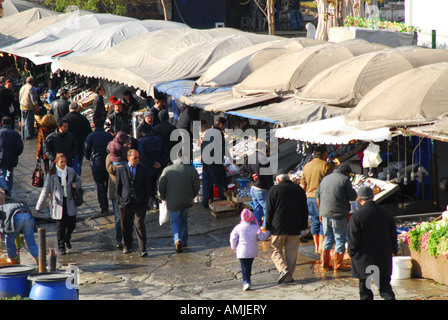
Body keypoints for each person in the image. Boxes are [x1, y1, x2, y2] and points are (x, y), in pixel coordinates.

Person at [348, 186, 397, 300]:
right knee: (385, 287)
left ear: (359, 199)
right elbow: (393, 235)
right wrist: (393, 250)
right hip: (383, 257)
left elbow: (353, 239)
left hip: (364, 259)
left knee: (365, 290)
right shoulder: (386, 213)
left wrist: (352, 252)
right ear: (373, 197)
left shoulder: (357, 216)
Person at [265, 169, 308, 284]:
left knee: (275, 249)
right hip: (295, 227)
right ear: (288, 177)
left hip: (278, 227)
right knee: (292, 252)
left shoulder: (274, 190)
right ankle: (288, 278)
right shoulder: (299, 190)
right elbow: (305, 210)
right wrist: (304, 227)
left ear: (278, 179)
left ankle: (282, 268)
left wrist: (267, 227)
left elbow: (269, 210)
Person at [36, 153, 82, 255]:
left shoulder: (70, 171)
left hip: (69, 201)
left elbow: (79, 180)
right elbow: (45, 190)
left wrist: (76, 185)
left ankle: (67, 238)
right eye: (62, 162)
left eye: (65, 162)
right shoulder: (52, 174)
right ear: (57, 162)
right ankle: (61, 247)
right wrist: (39, 205)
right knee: (60, 226)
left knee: (72, 224)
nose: (64, 164)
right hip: (58, 203)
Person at [316, 162, 357, 271]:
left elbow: (317, 196)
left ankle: (325, 264)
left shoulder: (325, 179)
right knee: (340, 238)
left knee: (328, 237)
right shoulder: (344, 180)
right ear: (347, 173)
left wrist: (320, 211)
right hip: (338, 214)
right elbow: (352, 196)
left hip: (324, 213)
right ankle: (338, 264)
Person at [157, 149, 200, 253]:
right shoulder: (191, 170)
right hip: (186, 200)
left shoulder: (167, 170)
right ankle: (184, 241)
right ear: (185, 157)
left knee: (175, 221)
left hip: (172, 201)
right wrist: (192, 196)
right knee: (184, 220)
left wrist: (161, 196)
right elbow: (196, 186)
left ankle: (177, 239)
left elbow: (161, 186)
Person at [115, 149, 151, 257]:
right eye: (135, 157)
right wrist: (120, 200)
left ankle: (142, 249)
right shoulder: (121, 170)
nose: (137, 159)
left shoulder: (143, 170)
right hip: (125, 202)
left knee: (139, 224)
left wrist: (145, 200)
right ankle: (127, 245)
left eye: (138, 157)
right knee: (125, 225)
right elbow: (118, 188)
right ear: (128, 158)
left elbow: (147, 187)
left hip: (139, 202)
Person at [300, 145, 334, 253]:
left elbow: (302, 185)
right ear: (324, 155)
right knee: (324, 222)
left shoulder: (306, 166)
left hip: (309, 198)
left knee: (314, 221)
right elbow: (330, 184)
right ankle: (321, 247)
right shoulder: (326, 166)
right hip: (322, 198)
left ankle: (316, 246)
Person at [230, 208, 271, 291]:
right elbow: (262, 237)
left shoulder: (238, 227)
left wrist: (233, 247)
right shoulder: (255, 227)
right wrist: (270, 232)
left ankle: (246, 282)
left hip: (241, 251)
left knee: (244, 267)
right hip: (252, 251)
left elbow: (233, 238)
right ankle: (248, 281)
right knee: (248, 266)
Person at [239, 140, 274, 230]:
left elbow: (241, 171)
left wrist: (250, 176)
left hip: (253, 188)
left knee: (257, 209)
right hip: (262, 189)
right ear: (263, 148)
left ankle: (256, 228)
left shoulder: (250, 157)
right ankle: (265, 228)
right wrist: (271, 188)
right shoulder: (263, 159)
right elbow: (268, 176)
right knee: (267, 208)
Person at [84, 118, 114, 214]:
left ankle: (103, 207)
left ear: (94, 124)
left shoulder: (90, 136)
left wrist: (91, 159)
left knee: (99, 186)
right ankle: (107, 204)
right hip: (107, 163)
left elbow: (86, 150)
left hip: (96, 164)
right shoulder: (109, 136)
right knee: (106, 184)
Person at [201, 117, 228, 209]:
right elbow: (221, 149)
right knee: (221, 180)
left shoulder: (208, 132)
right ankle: (224, 201)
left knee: (207, 181)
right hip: (214, 161)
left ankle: (206, 202)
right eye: (224, 125)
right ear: (221, 125)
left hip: (205, 160)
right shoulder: (219, 133)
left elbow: (202, 145)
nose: (224, 127)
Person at [138, 125, 166, 210]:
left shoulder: (141, 142)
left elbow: (143, 156)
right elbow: (165, 153)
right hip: (158, 168)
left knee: (148, 187)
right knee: (156, 185)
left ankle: (152, 202)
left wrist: (152, 164)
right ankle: (157, 201)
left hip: (147, 168)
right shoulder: (159, 140)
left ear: (143, 133)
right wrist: (159, 163)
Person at [63, 102, 92, 176]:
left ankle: (73, 181)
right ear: (77, 108)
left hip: (69, 145)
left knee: (72, 164)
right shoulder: (83, 119)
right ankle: (77, 180)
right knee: (79, 164)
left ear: (69, 109)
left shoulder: (65, 119)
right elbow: (89, 133)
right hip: (81, 145)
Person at [0, 116, 24, 197]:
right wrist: (16, 154)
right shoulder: (16, 134)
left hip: (1, 157)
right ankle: (9, 192)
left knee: (2, 174)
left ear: (2, 123)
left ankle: (4, 188)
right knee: (10, 175)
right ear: (11, 123)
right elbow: (20, 147)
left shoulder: (0, 133)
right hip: (12, 158)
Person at [105, 154, 123, 249]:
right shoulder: (110, 156)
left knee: (129, 216)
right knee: (118, 217)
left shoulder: (128, 154)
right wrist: (123, 166)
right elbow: (110, 168)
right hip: (115, 191)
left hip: (128, 191)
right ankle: (119, 239)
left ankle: (128, 237)